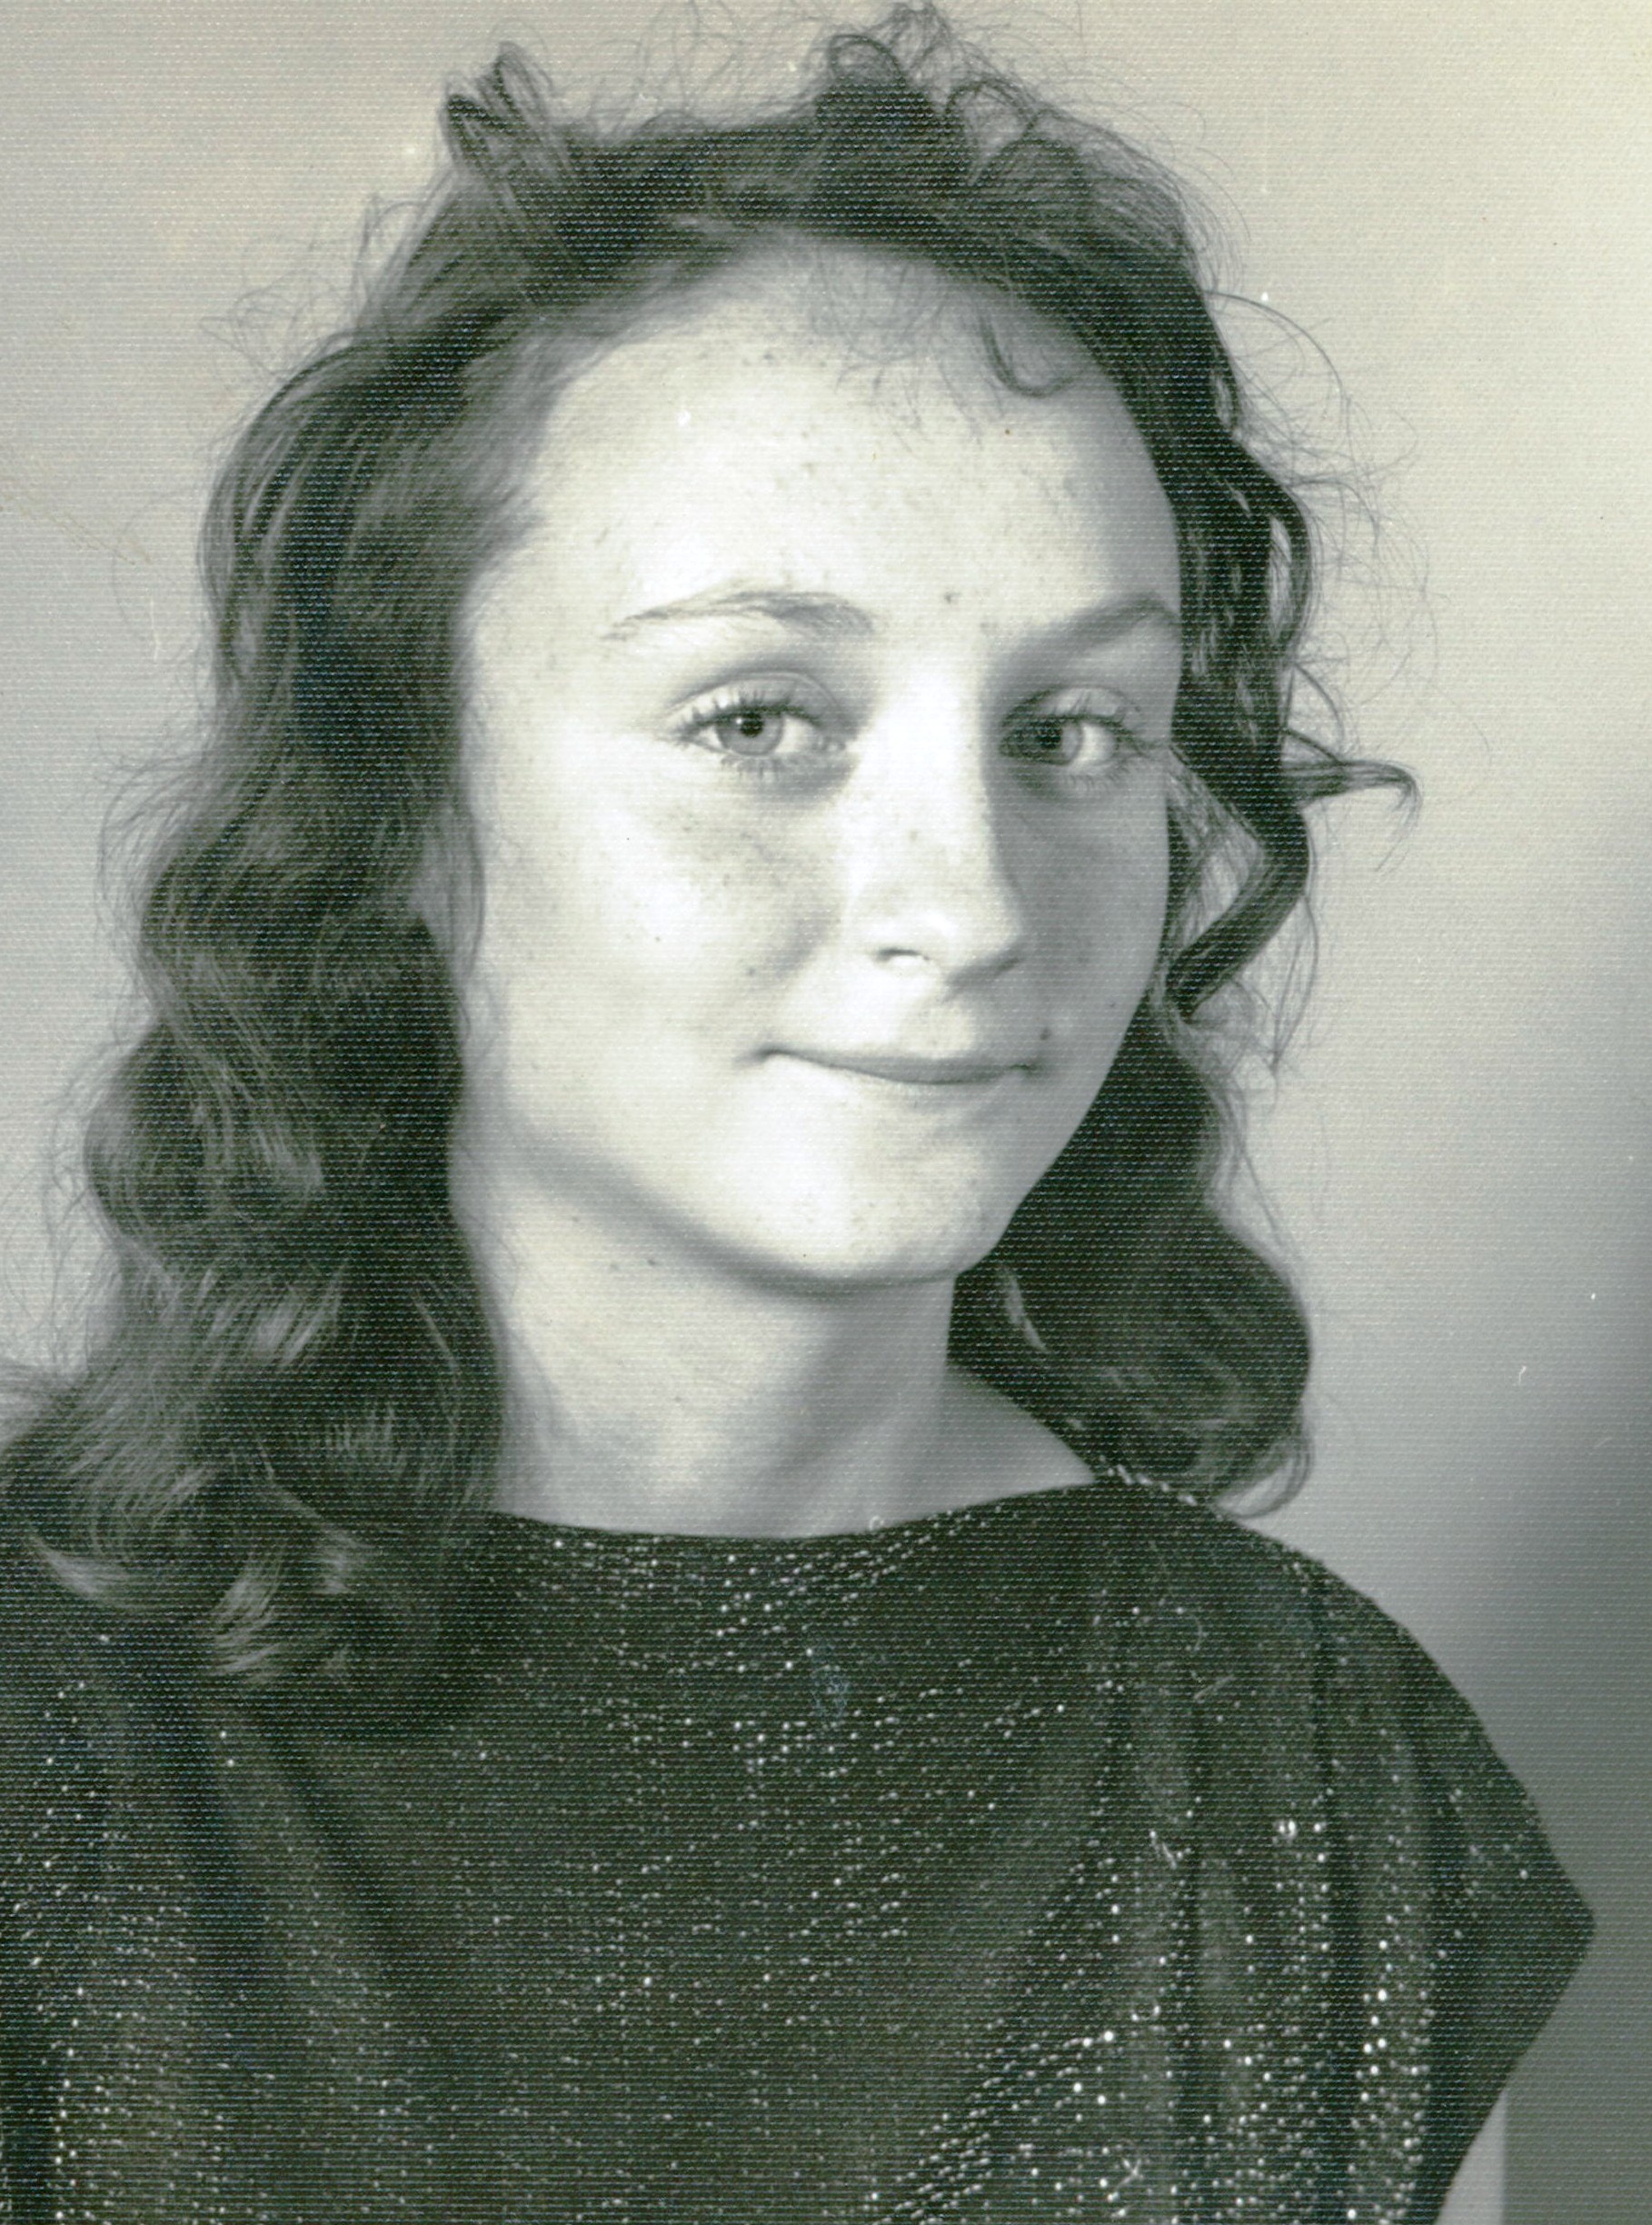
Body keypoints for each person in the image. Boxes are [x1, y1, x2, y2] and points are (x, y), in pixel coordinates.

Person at [0, 11, 1589, 2220]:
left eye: (1073, 731)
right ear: (402, 810)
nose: (972, 906)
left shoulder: (1319, 1783)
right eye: (761, 719)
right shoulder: (42, 1739)